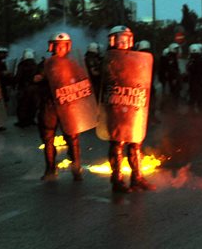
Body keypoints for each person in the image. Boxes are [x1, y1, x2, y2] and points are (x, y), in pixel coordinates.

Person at [102, 26, 155, 193]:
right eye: (120, 38)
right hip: (116, 105)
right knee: (118, 143)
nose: (124, 42)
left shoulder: (136, 58)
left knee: (135, 142)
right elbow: (105, 81)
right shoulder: (108, 58)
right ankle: (117, 180)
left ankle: (137, 178)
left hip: (132, 104)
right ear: (113, 40)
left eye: (126, 38)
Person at [37, 32, 91, 181]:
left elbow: (83, 81)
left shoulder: (74, 63)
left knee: (72, 137)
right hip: (50, 105)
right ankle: (50, 169)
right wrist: (39, 78)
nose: (60, 49)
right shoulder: (45, 64)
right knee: (48, 138)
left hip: (69, 105)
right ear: (52, 46)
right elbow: (36, 79)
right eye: (57, 46)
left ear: (68, 46)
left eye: (63, 46)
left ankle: (76, 167)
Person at [14, 48, 39, 127]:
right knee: (33, 104)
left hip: (24, 88)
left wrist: (13, 82)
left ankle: (22, 121)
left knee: (22, 105)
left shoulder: (22, 65)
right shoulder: (35, 65)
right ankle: (31, 120)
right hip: (34, 88)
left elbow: (18, 77)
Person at [186, 44, 202, 113]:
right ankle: (201, 110)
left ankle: (191, 110)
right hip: (198, 80)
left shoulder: (191, 60)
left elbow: (188, 69)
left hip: (192, 81)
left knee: (192, 96)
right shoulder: (200, 60)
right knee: (200, 95)